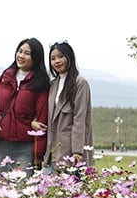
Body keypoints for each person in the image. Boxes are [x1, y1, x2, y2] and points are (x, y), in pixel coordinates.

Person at [0, 38, 50, 174]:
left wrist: (38, 154)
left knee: (23, 190)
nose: (21, 56)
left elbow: (42, 119)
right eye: (20, 51)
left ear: (35, 57)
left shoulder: (41, 83)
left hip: (26, 147)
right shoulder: (5, 78)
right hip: (1, 144)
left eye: (27, 53)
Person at [31, 40, 94, 171]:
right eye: (53, 58)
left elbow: (80, 119)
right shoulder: (53, 84)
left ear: (69, 57)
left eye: (60, 56)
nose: (57, 61)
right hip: (52, 150)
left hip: (71, 153)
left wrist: (77, 151)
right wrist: (34, 122)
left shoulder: (80, 83)